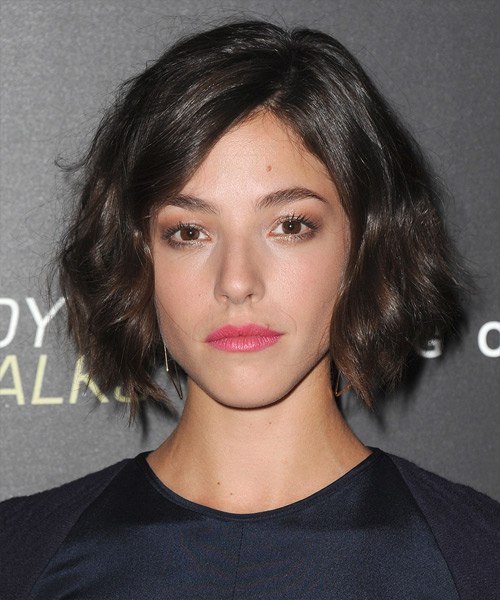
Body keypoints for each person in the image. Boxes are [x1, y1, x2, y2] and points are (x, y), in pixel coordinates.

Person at [1, 20, 499, 600]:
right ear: (138, 256)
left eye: (289, 225)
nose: (236, 282)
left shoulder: (476, 562)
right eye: (190, 232)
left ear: (364, 245)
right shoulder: (21, 558)